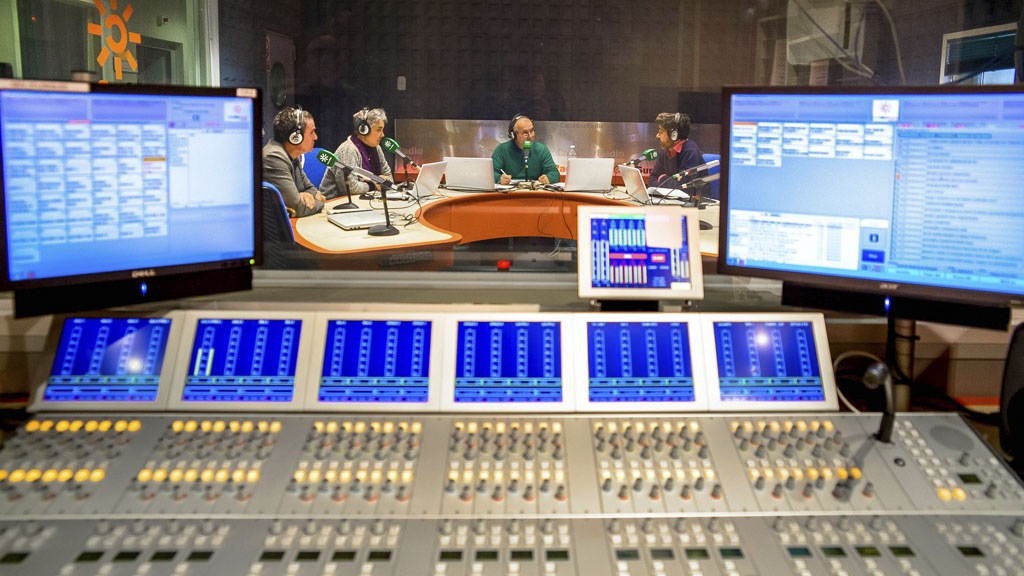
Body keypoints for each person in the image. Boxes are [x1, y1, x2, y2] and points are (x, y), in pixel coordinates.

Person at [262, 106, 325, 217]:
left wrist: (307, 195)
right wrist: (319, 202)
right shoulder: (274, 157)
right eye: (312, 132)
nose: (315, 137)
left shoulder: (293, 156)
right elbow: (297, 208)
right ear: (295, 137)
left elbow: (311, 188)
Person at [321, 108, 393, 200]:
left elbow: (389, 179)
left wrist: (383, 182)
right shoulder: (348, 149)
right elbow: (350, 188)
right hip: (335, 202)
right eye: (379, 130)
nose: (383, 135)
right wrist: (373, 185)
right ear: (364, 130)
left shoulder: (376, 148)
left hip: (363, 201)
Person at [491, 114, 560, 185]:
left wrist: (549, 178)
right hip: (510, 191)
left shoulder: (542, 149)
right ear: (514, 135)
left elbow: (555, 173)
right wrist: (499, 178)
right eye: (525, 133)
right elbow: (490, 173)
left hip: (534, 190)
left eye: (532, 131)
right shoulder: (502, 150)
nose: (530, 136)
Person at [648, 112, 704, 189]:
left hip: (694, 196)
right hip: (668, 196)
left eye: (661, 132)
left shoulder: (690, 152)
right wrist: (672, 181)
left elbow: (683, 188)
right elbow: (651, 181)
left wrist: (662, 178)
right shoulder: (664, 151)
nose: (657, 135)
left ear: (674, 135)